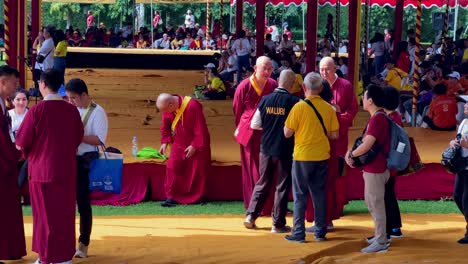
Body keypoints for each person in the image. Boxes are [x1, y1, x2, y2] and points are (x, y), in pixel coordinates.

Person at [15, 69, 83, 264]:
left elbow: (22, 142)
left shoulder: (36, 111)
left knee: (44, 217)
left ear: (42, 84)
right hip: (66, 170)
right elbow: (77, 138)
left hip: (42, 171)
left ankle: (46, 257)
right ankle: (63, 257)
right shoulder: (71, 110)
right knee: (64, 214)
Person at [283, 72, 339, 243]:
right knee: (319, 193)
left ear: (304, 87)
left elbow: (287, 133)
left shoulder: (299, 107)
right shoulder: (329, 108)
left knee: (300, 195)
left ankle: (298, 233)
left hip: (302, 156)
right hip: (321, 155)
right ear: (321, 88)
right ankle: (320, 231)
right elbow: (334, 135)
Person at [244, 70, 300, 232]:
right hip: (285, 149)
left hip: (266, 149)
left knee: (262, 182)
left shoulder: (265, 100)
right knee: (282, 186)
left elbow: (255, 124)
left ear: (277, 81)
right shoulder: (295, 102)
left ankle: (251, 216)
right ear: (292, 84)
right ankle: (277, 223)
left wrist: (269, 127)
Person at [65, 78, 108, 259]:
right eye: (67, 98)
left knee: (83, 203)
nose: (70, 102)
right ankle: (65, 242)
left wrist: (77, 136)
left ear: (84, 95)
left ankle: (83, 244)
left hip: (84, 161)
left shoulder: (98, 112)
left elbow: (99, 140)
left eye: (73, 98)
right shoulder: (68, 109)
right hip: (65, 160)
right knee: (65, 205)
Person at [345, 84, 390, 253]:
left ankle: (381, 240)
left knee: (376, 204)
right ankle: (380, 237)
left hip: (376, 169)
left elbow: (367, 144)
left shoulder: (377, 118)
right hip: (374, 168)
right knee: (373, 203)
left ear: (370, 100)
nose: (361, 99)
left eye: (363, 97)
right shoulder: (378, 117)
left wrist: (351, 155)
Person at [233, 56, 277, 209]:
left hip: (268, 132)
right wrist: (240, 127)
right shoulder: (244, 86)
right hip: (249, 133)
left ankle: (269, 204)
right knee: (252, 170)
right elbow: (237, 111)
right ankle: (254, 205)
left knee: (268, 169)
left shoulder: (273, 84)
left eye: (270, 68)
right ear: (255, 68)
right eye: (264, 68)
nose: (267, 71)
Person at [157, 93, 211, 207]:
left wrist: (195, 145)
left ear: (171, 104)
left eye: (165, 110)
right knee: (173, 166)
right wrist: (165, 141)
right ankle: (172, 196)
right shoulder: (168, 107)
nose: (165, 112)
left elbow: (200, 127)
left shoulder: (192, 105)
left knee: (196, 168)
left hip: (196, 141)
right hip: (179, 141)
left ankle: (197, 196)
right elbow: (165, 124)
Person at [0, 66, 26, 261]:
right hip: (3, 162)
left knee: (7, 209)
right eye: (14, 83)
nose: (16, 88)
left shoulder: (3, 103)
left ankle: (7, 250)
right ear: (3, 82)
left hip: (6, 162)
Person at [382, 86, 403, 238]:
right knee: (388, 194)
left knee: (386, 195)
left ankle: (391, 228)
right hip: (392, 162)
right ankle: (393, 227)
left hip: (388, 162)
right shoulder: (394, 116)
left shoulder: (390, 118)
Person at [450, 102, 468, 244]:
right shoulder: (464, 121)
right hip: (462, 165)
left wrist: (465, 144)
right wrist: (453, 142)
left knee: (466, 200)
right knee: (457, 196)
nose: (466, 105)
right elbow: (458, 138)